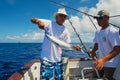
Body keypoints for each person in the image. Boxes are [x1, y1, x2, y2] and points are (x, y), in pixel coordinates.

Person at [31, 8, 81, 80]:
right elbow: (32, 19)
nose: (63, 18)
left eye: (64, 16)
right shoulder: (49, 23)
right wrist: (38, 22)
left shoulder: (65, 30)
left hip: (58, 60)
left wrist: (75, 47)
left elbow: (66, 44)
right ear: (56, 17)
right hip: (46, 59)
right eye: (61, 15)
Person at [92, 10, 120, 80]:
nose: (98, 20)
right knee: (94, 77)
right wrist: (93, 51)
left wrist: (103, 60)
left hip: (111, 64)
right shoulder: (97, 31)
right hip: (100, 62)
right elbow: (96, 44)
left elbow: (117, 50)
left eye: (100, 18)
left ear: (107, 18)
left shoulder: (113, 31)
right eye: (97, 18)